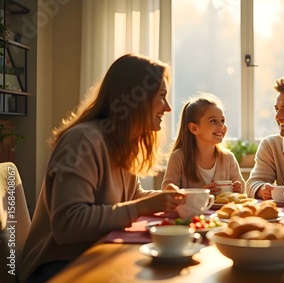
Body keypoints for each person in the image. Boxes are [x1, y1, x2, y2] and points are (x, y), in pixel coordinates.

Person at [20, 54, 185, 283]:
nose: (167, 108)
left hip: (97, 252)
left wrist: (171, 198)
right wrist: (143, 206)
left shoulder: (121, 142)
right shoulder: (84, 141)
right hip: (57, 267)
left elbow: (132, 197)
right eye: (162, 97)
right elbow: (68, 224)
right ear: (135, 98)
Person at [161, 93, 245, 194]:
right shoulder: (178, 158)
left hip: (221, 210)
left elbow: (242, 191)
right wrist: (200, 193)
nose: (221, 125)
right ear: (194, 128)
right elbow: (167, 193)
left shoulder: (228, 159)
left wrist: (238, 189)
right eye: (213, 121)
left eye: (222, 120)